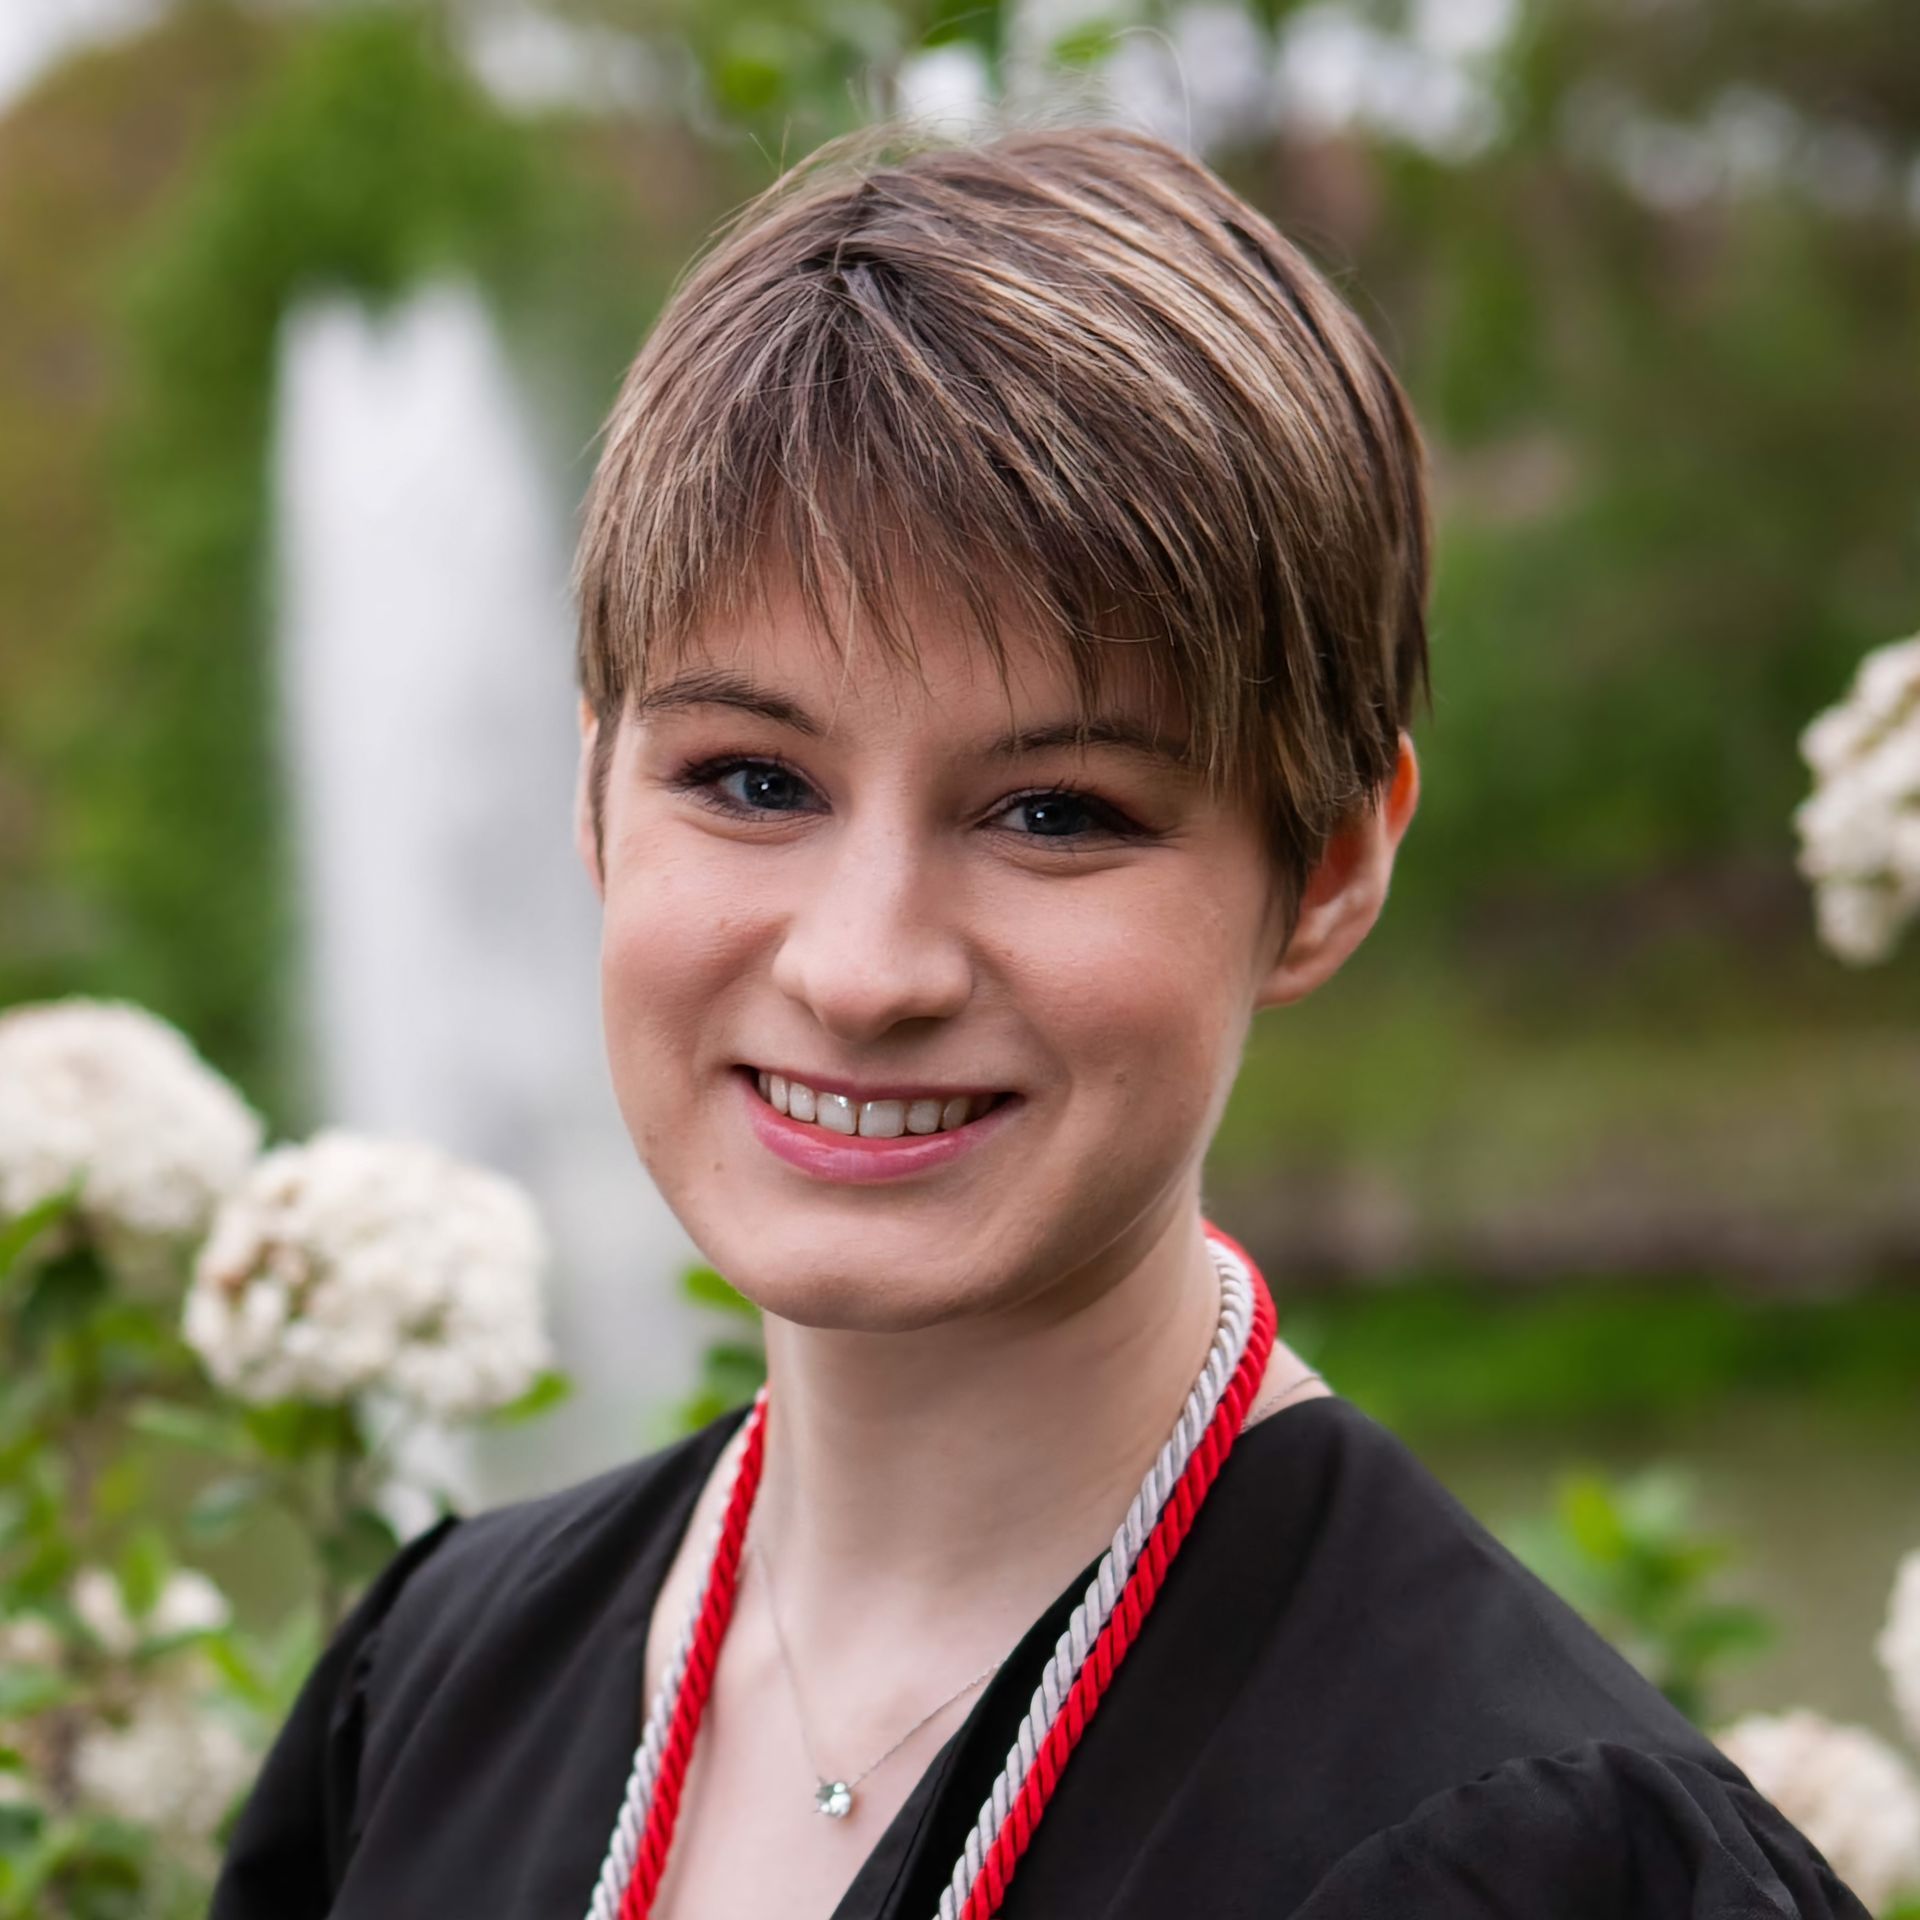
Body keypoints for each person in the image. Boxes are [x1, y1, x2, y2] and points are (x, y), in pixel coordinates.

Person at [210, 122, 1869, 1919]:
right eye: (753, 779)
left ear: (1325, 870)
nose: (863, 967)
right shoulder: (440, 1692)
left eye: (1056, 812)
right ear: (595, 788)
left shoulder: (1532, 1864)